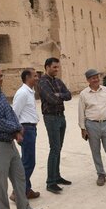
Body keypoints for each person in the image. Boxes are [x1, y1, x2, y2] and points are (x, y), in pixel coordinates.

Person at [0, 65, 45, 209]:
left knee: (20, 176)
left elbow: (10, 113)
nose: (1, 79)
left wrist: (16, 128)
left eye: (1, 76)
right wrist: (17, 129)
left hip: (8, 143)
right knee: (0, 183)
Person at [78, 69, 106, 187]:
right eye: (93, 78)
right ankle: (101, 174)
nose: (96, 79)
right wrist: (83, 128)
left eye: (97, 77)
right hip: (91, 125)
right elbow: (81, 112)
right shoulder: (84, 94)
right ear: (88, 80)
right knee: (95, 151)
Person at [38, 57, 72, 194]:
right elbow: (51, 99)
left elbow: (69, 95)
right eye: (54, 67)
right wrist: (59, 95)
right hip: (51, 118)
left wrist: (59, 94)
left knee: (58, 148)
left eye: (58, 67)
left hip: (61, 117)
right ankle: (50, 182)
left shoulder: (58, 81)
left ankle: (57, 176)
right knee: (54, 148)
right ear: (47, 67)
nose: (57, 70)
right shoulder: (42, 82)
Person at [9, 68, 41, 202]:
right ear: (28, 78)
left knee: (27, 161)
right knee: (28, 163)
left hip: (31, 129)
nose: (37, 78)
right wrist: (17, 131)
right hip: (25, 130)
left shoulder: (29, 92)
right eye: (35, 76)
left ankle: (26, 190)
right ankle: (17, 192)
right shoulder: (22, 93)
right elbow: (14, 113)